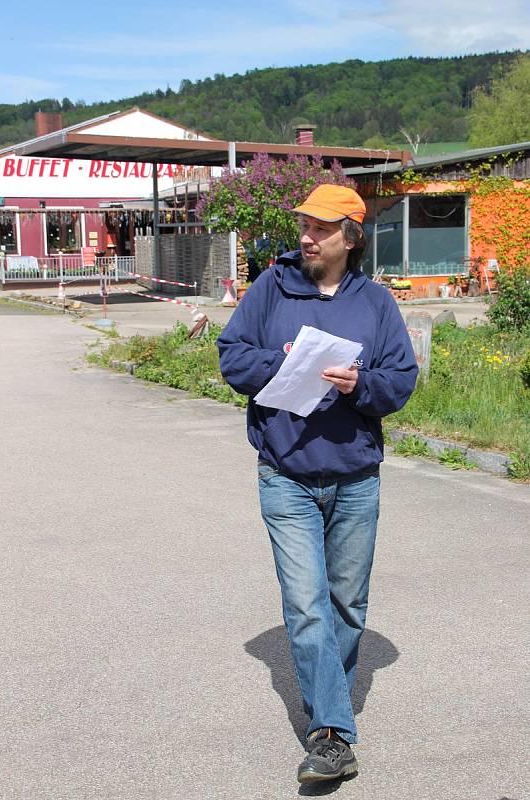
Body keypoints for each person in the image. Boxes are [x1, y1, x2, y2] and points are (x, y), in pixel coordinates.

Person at [217, 184, 418, 784]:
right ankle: (331, 731)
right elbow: (232, 356)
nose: (306, 235)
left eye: (321, 228)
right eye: (304, 224)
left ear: (350, 237)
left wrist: (361, 386)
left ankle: (329, 699)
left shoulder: (376, 302)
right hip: (287, 477)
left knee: (346, 607)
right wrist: (286, 366)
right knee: (307, 606)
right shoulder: (269, 290)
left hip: (356, 478)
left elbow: (401, 378)